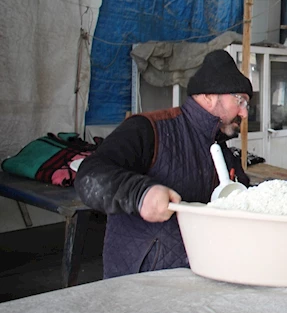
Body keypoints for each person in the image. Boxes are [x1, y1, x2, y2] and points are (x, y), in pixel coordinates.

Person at [76, 50, 252, 278]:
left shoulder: (223, 152)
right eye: (240, 101)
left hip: (198, 276)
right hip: (140, 280)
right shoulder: (149, 129)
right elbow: (89, 175)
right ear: (209, 96)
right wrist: (140, 194)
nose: (244, 113)